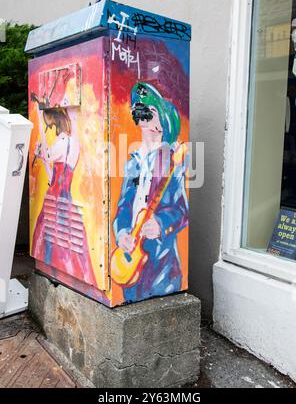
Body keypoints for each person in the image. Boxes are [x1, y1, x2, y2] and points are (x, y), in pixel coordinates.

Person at [113, 82, 188, 301]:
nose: (143, 112)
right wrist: (121, 234)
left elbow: (182, 210)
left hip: (161, 267)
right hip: (131, 262)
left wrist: (161, 223)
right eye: (140, 107)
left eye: (151, 110)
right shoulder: (133, 161)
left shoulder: (172, 160)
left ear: (161, 123)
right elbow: (123, 207)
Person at [32, 104, 97, 286]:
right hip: (64, 199)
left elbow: (46, 154)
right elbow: (53, 173)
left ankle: (54, 272)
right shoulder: (73, 143)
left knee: (50, 240)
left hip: (55, 200)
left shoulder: (61, 143)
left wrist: (38, 120)